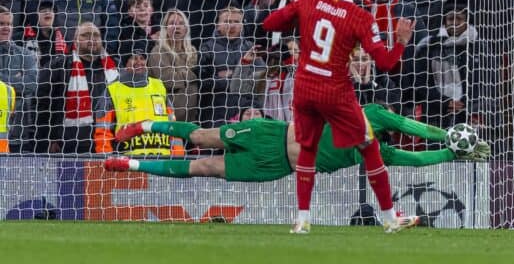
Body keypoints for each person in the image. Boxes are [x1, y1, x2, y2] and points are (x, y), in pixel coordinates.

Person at [262, 0, 415, 233]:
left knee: (308, 149)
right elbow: (387, 64)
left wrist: (295, 11)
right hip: (336, 91)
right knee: (369, 146)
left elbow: (270, 23)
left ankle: (302, 220)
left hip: (305, 87)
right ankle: (390, 218)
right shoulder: (361, 18)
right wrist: (401, 41)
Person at [103, 102, 490, 186]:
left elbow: (414, 160)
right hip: (273, 132)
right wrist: (445, 135)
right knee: (204, 136)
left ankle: (131, 165)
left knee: (207, 167)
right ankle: (144, 124)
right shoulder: (371, 113)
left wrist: (452, 152)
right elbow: (410, 124)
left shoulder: (375, 151)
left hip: (277, 166)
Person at [36, 22, 118, 154]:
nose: (92, 39)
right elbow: (43, 105)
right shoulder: (58, 66)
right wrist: (50, 138)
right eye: (85, 35)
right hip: (68, 144)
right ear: (75, 40)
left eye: (96, 35)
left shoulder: (114, 68)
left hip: (107, 141)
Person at [94, 50, 183, 156]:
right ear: (125, 63)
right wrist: (105, 160)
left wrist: (178, 155)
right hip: (129, 163)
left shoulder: (159, 86)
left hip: (163, 161)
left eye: (142, 58)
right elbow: (103, 131)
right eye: (134, 58)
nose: (139, 62)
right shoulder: (112, 90)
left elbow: (172, 125)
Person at [147, 9, 199, 123]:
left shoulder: (192, 51)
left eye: (181, 23)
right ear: (165, 28)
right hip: (168, 115)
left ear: (186, 28)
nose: (177, 27)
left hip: (191, 115)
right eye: (172, 23)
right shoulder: (158, 51)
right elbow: (168, 80)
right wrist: (193, 74)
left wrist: (182, 74)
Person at [0, 5, 37, 153]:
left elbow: (31, 85)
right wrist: (16, 80)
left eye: (9, 24)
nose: (6, 28)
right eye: (1, 23)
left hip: (19, 133)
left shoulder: (25, 54)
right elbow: (23, 85)